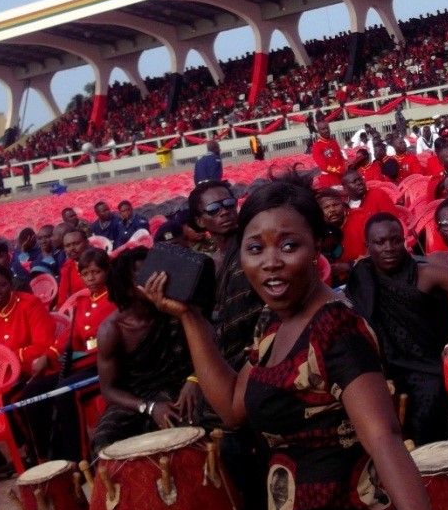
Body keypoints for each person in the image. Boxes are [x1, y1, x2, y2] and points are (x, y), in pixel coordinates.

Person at [143, 176, 448, 510]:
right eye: (255, 248)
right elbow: (231, 405)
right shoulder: (272, 322)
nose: (270, 263)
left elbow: (384, 439)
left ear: (318, 246)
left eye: (288, 246)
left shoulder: (334, 328)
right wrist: (188, 316)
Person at [347, 213, 448, 444]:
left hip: (428, 365)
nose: (389, 248)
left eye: (396, 240)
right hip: (382, 366)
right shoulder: (362, 278)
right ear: (367, 247)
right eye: (380, 242)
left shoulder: (426, 273)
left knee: (426, 408)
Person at [90, 247, 213, 455]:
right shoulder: (111, 330)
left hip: (184, 386)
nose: (158, 277)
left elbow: (213, 343)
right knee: (105, 440)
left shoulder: (178, 305)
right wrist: (150, 407)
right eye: (146, 273)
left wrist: (194, 379)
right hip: (139, 398)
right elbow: (109, 391)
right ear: (129, 288)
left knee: (193, 422)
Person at [21, 248, 116, 462]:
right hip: (83, 363)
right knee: (32, 391)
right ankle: (45, 457)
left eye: (96, 272)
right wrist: (49, 354)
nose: (91, 278)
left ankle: (78, 459)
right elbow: (71, 338)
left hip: (106, 364)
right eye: (86, 274)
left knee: (66, 392)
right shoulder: (82, 303)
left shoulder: (115, 298)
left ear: (107, 271)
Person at [188, 180, 265, 367]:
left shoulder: (255, 247)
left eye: (229, 204)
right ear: (199, 221)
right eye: (213, 209)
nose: (224, 212)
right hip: (224, 354)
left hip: (263, 344)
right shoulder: (207, 264)